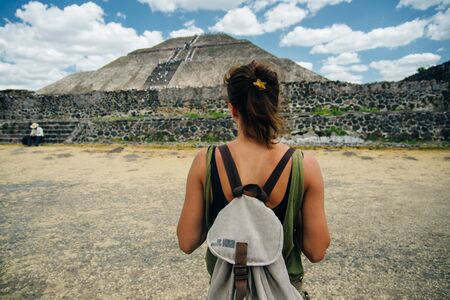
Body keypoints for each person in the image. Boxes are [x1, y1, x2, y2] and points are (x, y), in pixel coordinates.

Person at [177, 61, 330, 296]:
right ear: (274, 105)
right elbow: (316, 251)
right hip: (282, 289)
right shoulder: (304, 165)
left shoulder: (205, 162)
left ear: (232, 109)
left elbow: (187, 242)